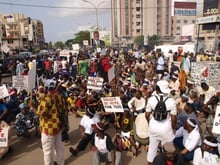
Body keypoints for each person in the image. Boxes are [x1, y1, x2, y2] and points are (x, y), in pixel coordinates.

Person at [145, 80, 177, 165]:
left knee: (152, 149)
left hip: (153, 127)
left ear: (157, 89)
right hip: (166, 128)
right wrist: (173, 128)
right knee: (168, 151)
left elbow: (147, 115)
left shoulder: (151, 99)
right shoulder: (172, 101)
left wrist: (149, 123)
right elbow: (173, 119)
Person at [36, 83, 66, 165]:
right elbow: (64, 110)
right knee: (59, 147)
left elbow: (40, 113)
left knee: (47, 151)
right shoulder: (60, 97)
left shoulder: (46, 99)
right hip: (58, 127)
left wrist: (32, 109)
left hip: (48, 129)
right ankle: (61, 163)